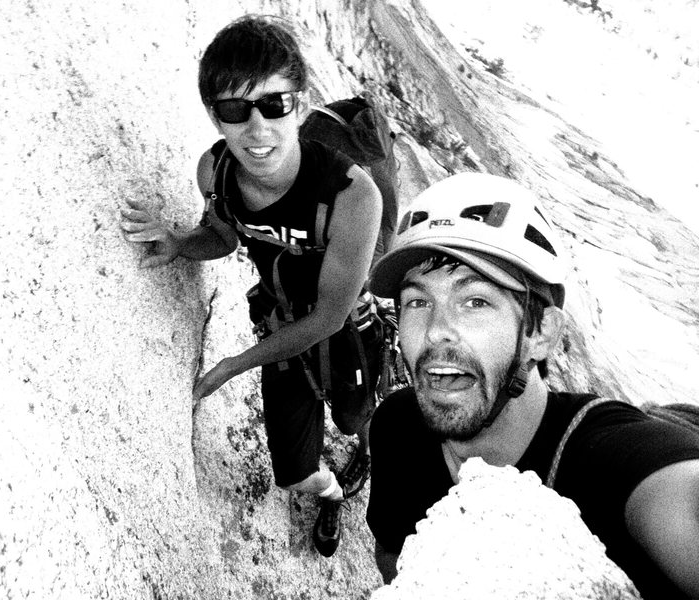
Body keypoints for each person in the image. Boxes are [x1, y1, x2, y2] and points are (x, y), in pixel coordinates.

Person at [120, 15, 383, 557]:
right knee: (292, 472)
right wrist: (178, 243)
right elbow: (222, 234)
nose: (257, 129)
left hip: (341, 328)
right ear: (216, 117)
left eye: (275, 104)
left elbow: (330, 317)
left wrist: (229, 367)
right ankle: (333, 492)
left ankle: (365, 445)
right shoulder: (213, 173)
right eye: (235, 110)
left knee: (356, 414)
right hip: (282, 325)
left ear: (301, 107)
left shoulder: (352, 197)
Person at [365, 172, 699, 598]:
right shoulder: (396, 425)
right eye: (418, 301)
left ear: (540, 333)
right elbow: (394, 557)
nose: (435, 332)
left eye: (475, 302)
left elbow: (680, 500)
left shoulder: (609, 459)